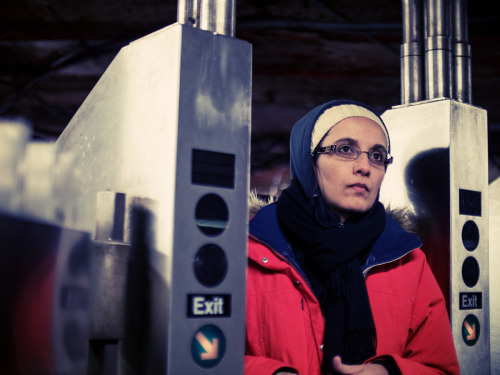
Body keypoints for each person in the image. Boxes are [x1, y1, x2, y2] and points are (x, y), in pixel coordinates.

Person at [245, 100, 459, 375]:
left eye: (377, 155)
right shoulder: (249, 249)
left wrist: (389, 373)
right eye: (346, 149)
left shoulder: (406, 259)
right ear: (307, 160)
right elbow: (198, 353)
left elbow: (439, 368)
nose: (364, 166)